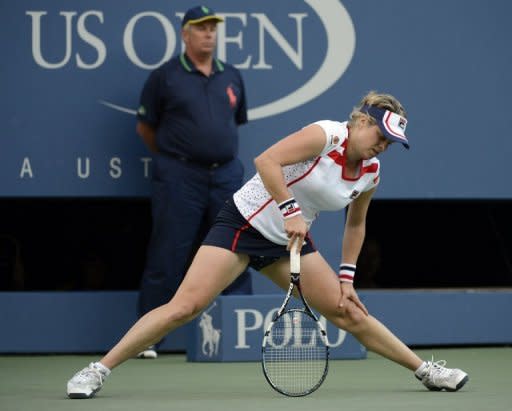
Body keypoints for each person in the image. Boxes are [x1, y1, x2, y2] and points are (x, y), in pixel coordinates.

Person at [66, 91, 469, 398]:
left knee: (349, 312)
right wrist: (291, 208)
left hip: (287, 241)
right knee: (184, 307)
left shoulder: (371, 172)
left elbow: (356, 223)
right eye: (380, 135)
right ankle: (99, 369)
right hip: (242, 225)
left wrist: (347, 277)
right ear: (362, 121)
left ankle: (426, 371)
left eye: (390, 142)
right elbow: (266, 160)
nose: (383, 145)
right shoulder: (327, 135)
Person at [134, 5, 252, 358]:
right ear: (185, 34)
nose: (209, 34)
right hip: (180, 175)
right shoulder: (164, 76)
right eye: (201, 28)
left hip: (227, 174)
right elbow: (145, 128)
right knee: (168, 252)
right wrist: (178, 159)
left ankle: (237, 334)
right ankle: (147, 339)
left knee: (238, 251)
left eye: (213, 28)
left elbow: (234, 122)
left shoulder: (231, 75)